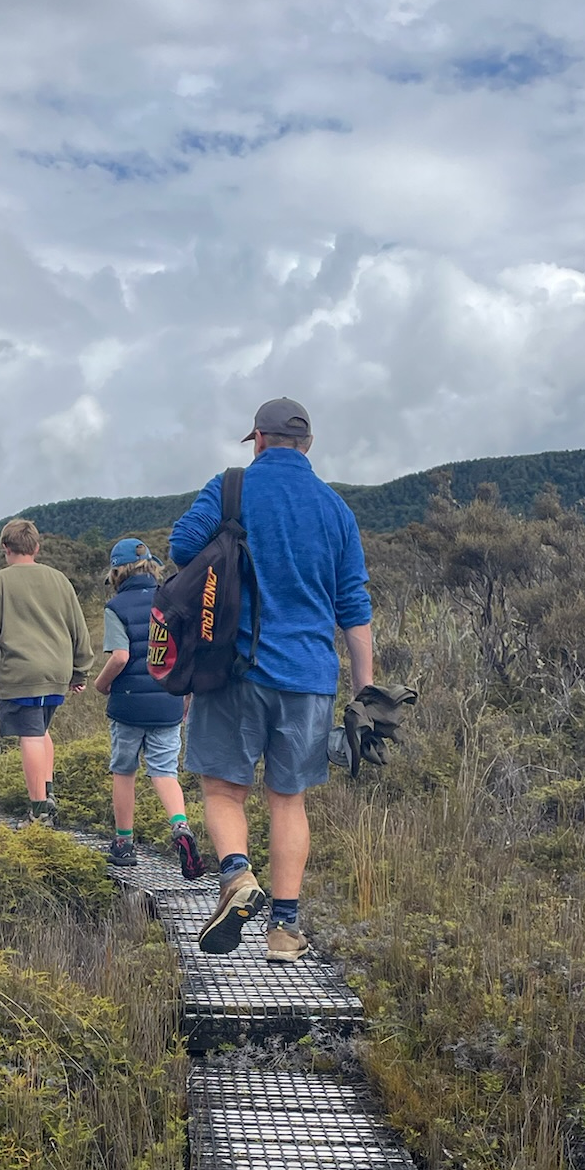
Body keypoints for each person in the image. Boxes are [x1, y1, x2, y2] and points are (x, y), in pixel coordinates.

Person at [168, 397, 373, 961]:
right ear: (308, 445)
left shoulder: (229, 488)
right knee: (288, 800)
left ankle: (237, 876)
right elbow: (354, 609)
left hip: (232, 670)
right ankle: (283, 931)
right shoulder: (335, 509)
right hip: (308, 678)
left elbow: (182, 547)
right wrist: (364, 693)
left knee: (222, 790)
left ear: (257, 439)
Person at [0, 517, 92, 824]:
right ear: (36, 547)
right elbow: (78, 627)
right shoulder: (59, 579)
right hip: (57, 671)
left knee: (31, 735)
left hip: (23, 673)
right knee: (41, 730)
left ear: (5, 547)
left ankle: (39, 812)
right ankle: (47, 794)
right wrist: (80, 670)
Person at [94, 537, 206, 879]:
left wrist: (101, 684)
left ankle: (124, 844)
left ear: (117, 572)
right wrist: (185, 697)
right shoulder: (171, 600)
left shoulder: (116, 607)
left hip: (128, 704)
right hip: (168, 700)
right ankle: (180, 826)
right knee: (165, 772)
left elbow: (121, 656)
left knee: (124, 771)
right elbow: (186, 655)